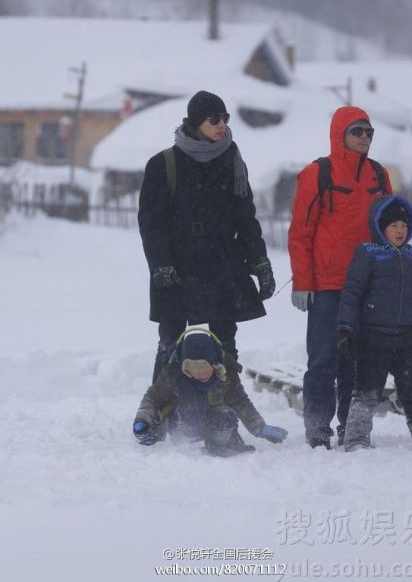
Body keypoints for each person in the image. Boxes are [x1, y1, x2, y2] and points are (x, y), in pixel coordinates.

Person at [138, 91, 275, 381]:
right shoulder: (163, 164)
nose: (222, 124)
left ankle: (224, 419)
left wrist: (260, 262)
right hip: (178, 266)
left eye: (225, 118)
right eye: (214, 119)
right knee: (171, 347)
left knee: (225, 348)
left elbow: (246, 218)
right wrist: (160, 264)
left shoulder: (232, 160)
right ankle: (158, 418)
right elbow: (152, 224)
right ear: (196, 122)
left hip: (222, 265)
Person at [288, 106, 392, 449]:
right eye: (357, 131)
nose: (364, 137)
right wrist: (303, 282)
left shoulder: (378, 174)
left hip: (368, 284)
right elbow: (301, 232)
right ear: (340, 133)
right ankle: (318, 429)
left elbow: (391, 228)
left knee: (358, 362)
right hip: (328, 286)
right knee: (322, 360)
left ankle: (353, 428)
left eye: (368, 132)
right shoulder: (317, 173)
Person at [337, 195, 412, 452]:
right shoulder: (368, 253)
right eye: (394, 226)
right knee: (367, 390)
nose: (400, 231)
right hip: (373, 337)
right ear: (381, 227)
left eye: (404, 226)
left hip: (406, 338)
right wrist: (345, 330)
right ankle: (357, 438)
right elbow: (352, 293)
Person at [132, 330, 288, 457]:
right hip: (181, 418)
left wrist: (259, 427)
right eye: (192, 369)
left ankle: (216, 445)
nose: (200, 375)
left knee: (226, 415)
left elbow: (240, 401)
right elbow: (152, 399)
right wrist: (143, 421)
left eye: (204, 368)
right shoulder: (173, 373)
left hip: (214, 417)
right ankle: (189, 440)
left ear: (215, 364)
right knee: (186, 405)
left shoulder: (227, 374)